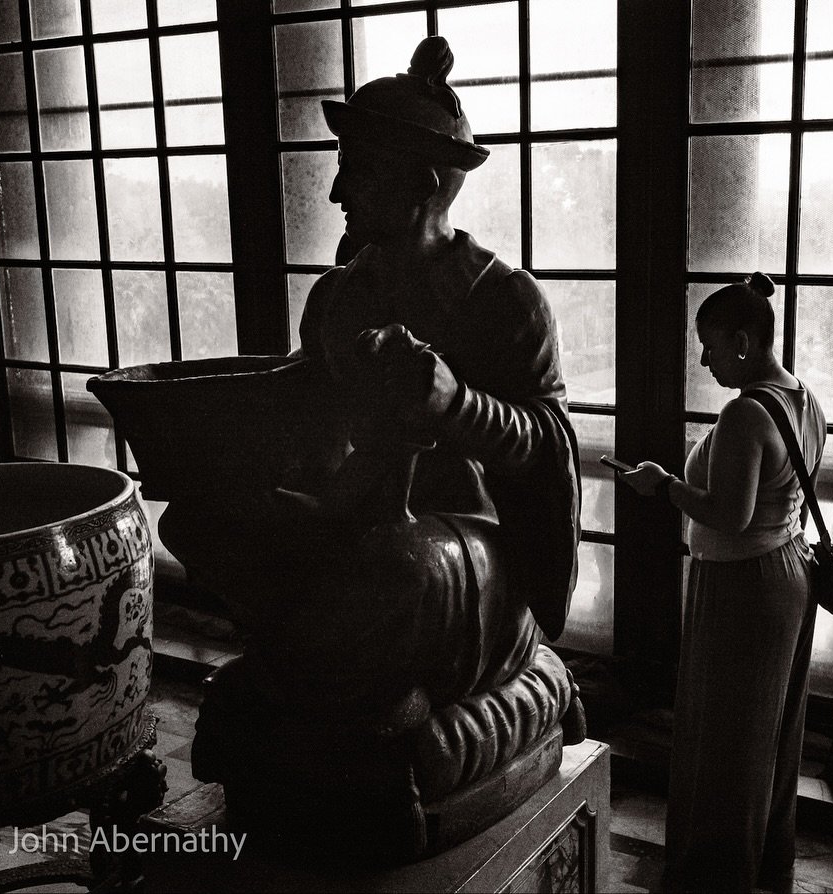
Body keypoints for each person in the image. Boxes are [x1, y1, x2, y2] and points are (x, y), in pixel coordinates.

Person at [158, 35, 582, 800]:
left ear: (420, 182)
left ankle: (309, 686)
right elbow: (311, 422)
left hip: (458, 531)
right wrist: (229, 439)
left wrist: (458, 404)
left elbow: (549, 444)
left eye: (357, 171)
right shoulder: (338, 297)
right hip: (354, 503)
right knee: (195, 522)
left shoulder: (502, 300)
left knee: (395, 569)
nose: (336, 194)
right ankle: (330, 679)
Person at [616, 272, 826, 893]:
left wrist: (664, 486)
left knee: (725, 735)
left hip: (743, 582)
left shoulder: (743, 415)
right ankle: (766, 855)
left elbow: (730, 518)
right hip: (788, 571)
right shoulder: (804, 400)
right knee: (772, 727)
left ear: (741, 341)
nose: (703, 359)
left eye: (708, 345)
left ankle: (714, 874)